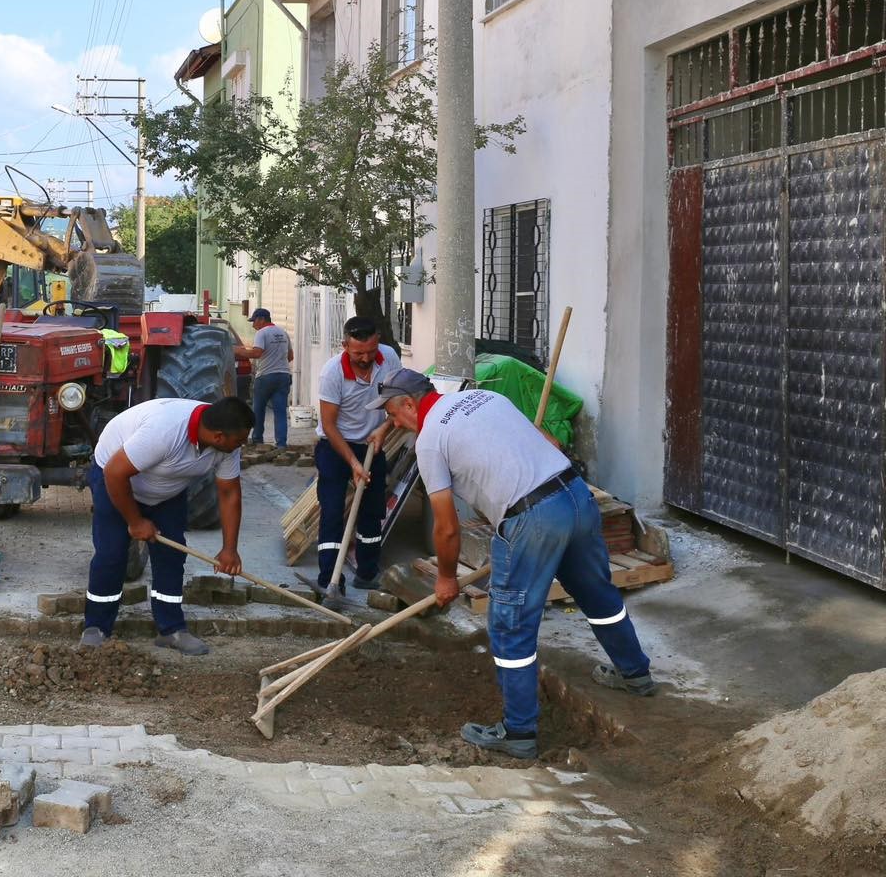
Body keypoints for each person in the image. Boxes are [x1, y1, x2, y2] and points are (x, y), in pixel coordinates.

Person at [369, 368, 656, 759]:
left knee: (510, 624)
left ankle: (518, 731)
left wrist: (447, 579)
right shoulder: (488, 399)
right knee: (596, 593)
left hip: (533, 516)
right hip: (576, 495)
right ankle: (635, 673)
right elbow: (550, 442)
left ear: (409, 403)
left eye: (393, 414)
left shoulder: (431, 440)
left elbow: (447, 528)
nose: (394, 423)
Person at [82, 396, 254, 656]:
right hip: (114, 481)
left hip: (167, 492)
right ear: (219, 436)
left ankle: (171, 629)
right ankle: (96, 627)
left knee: (172, 556)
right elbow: (115, 473)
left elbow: (229, 494)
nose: (242, 444)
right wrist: (136, 522)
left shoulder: (227, 446)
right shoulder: (164, 431)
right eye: (239, 440)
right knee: (111, 555)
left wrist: (230, 549)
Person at [313, 316, 403, 602]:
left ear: (378, 343)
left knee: (373, 510)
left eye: (370, 352)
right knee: (332, 511)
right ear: (344, 346)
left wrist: (384, 427)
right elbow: (329, 425)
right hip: (335, 447)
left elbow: (399, 399)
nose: (365, 359)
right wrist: (352, 462)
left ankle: (367, 572)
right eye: (358, 353)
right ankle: (330, 580)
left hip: (372, 445)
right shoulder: (332, 374)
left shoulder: (388, 358)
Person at [234, 308, 294, 448]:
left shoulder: (262, 333)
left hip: (266, 377)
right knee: (280, 412)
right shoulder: (283, 332)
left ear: (261, 319)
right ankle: (281, 444)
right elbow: (290, 357)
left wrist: (238, 351)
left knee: (258, 410)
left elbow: (256, 353)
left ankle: (257, 440)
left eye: (254, 321)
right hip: (283, 376)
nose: (253, 325)